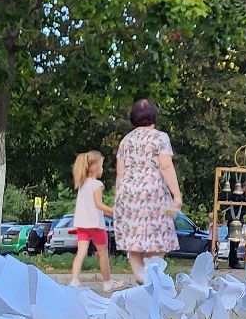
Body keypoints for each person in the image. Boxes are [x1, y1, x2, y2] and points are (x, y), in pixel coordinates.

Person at [112, 98, 181, 277]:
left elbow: (120, 173)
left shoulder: (125, 141)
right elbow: (165, 166)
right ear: (154, 116)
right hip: (154, 194)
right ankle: (152, 280)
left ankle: (141, 278)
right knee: (157, 241)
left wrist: (119, 199)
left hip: (128, 195)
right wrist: (176, 195)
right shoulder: (160, 137)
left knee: (134, 245)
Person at [68, 150, 113, 289]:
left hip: (82, 224)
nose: (103, 169)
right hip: (96, 225)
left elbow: (89, 207)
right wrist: (115, 211)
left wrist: (108, 213)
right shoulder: (97, 184)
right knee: (103, 254)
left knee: (81, 252)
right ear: (95, 167)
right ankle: (107, 283)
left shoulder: (82, 184)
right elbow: (98, 205)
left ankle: (74, 280)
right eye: (102, 165)